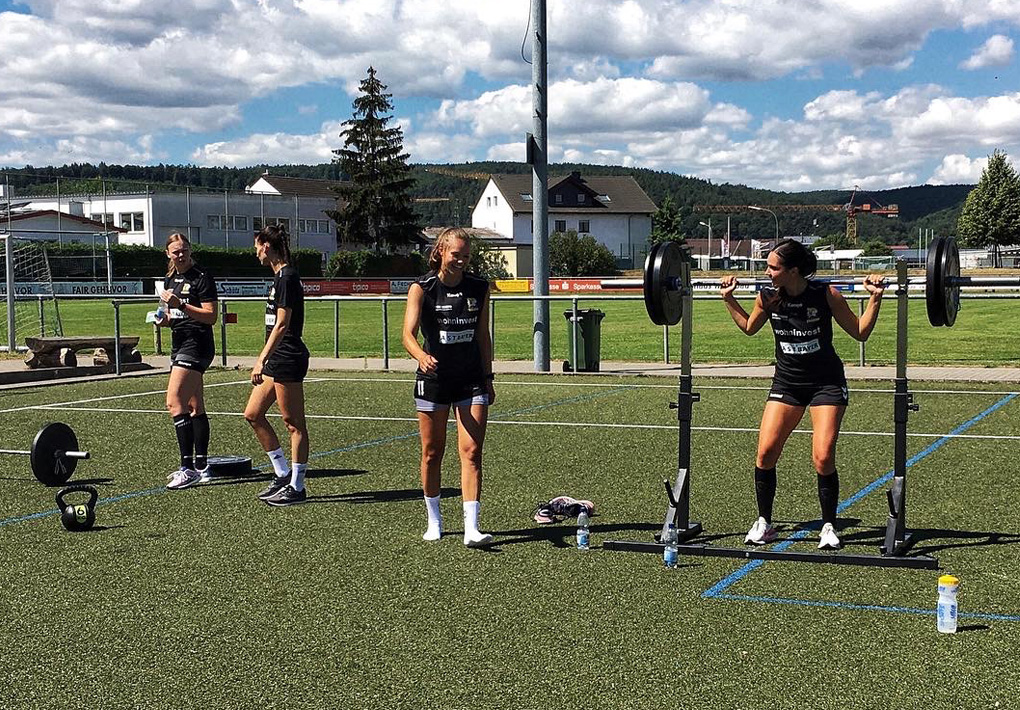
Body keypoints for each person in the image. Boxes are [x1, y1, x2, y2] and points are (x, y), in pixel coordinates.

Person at [720, 238, 886, 549]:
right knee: (765, 453)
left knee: (823, 457)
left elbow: (860, 332)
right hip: (787, 383)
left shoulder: (826, 295)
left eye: (773, 267)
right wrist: (729, 299)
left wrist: (875, 299)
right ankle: (765, 523)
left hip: (826, 383)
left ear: (793, 270)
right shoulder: (767, 297)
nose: (767, 272)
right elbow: (748, 327)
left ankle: (828, 526)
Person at [402, 227, 496, 547]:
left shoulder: (479, 287)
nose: (461, 261)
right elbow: (407, 336)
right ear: (441, 251)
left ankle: (472, 528)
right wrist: (421, 356)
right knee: (432, 453)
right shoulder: (422, 288)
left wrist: (488, 377)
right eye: (456, 254)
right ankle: (434, 519)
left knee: (471, 452)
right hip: (434, 381)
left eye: (466, 256)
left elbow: (483, 336)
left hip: (471, 380)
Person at [243, 224, 311, 507]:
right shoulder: (279, 277)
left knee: (293, 424)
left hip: (287, 358)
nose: (255, 252)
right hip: (276, 359)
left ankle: (297, 485)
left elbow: (283, 323)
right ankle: (282, 473)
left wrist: (261, 358)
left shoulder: (287, 277)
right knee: (253, 414)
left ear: (266, 246)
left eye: (257, 246)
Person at [156, 233, 218, 490]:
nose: (180, 255)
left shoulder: (202, 277)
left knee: (174, 402)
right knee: (194, 406)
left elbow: (211, 316)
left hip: (197, 345)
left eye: (184, 250)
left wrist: (181, 303)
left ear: (190, 250)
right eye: (175, 251)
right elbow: (174, 314)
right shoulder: (170, 279)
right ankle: (202, 466)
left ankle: (187, 468)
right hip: (180, 343)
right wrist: (165, 319)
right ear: (168, 254)